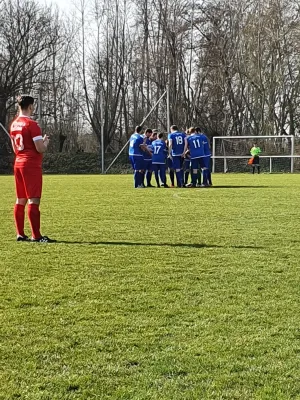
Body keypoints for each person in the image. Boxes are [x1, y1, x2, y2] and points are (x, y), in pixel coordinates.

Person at [10, 94, 56, 242]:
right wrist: (45, 143)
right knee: (33, 199)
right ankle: (36, 236)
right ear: (30, 106)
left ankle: (20, 234)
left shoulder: (14, 124)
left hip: (18, 163)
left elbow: (14, 148)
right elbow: (40, 148)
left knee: (20, 199)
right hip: (31, 165)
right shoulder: (32, 124)